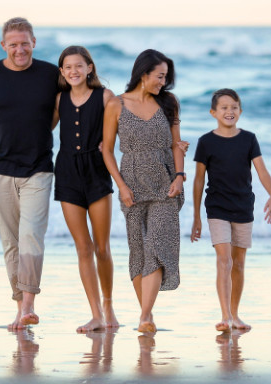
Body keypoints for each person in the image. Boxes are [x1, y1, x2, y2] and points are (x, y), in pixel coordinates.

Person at [0, 17, 59, 330]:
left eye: (25, 43)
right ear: (3, 45)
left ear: (34, 42)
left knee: (31, 237)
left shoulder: (50, 74)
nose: (20, 50)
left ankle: (28, 305)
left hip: (38, 169)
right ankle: (20, 308)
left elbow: (65, 106)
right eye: (13, 44)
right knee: (11, 242)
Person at [102, 49, 185, 334]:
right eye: (159, 76)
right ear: (143, 74)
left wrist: (180, 176)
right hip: (132, 186)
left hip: (165, 185)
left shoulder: (169, 103)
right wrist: (121, 186)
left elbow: (176, 144)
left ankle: (146, 315)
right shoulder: (116, 105)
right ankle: (145, 317)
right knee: (138, 250)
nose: (163, 82)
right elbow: (107, 151)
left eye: (165, 77)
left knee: (157, 245)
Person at [190, 88, 271, 332]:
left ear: (240, 110)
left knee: (238, 263)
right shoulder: (206, 142)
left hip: (243, 207)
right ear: (213, 112)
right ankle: (225, 316)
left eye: (234, 107)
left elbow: (261, 170)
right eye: (224, 108)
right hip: (217, 207)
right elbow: (199, 180)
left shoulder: (249, 139)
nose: (229, 111)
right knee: (224, 260)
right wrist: (196, 216)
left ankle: (235, 315)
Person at [54, 46, 119, 333]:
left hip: (97, 172)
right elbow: (40, 129)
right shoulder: (59, 99)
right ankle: (95, 314)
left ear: (89, 68)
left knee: (102, 248)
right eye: (68, 67)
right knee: (83, 247)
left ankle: (108, 304)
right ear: (62, 72)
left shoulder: (105, 96)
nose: (74, 71)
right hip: (67, 173)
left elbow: (123, 127)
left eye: (79, 65)